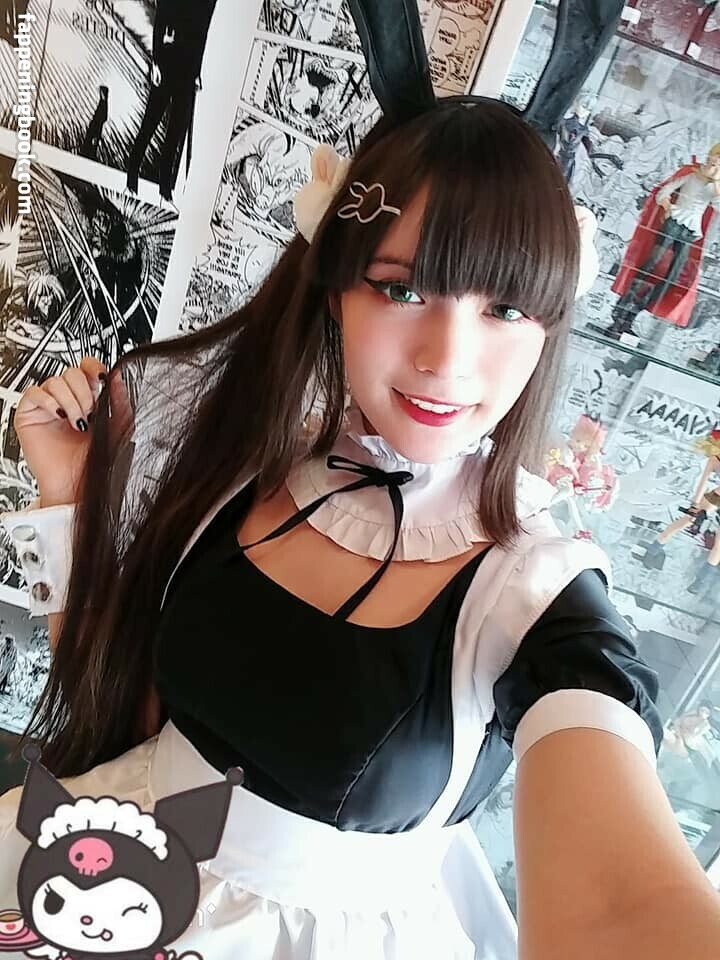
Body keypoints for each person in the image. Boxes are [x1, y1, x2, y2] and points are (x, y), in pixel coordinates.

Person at [0, 2, 719, 957]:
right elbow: (134, 714)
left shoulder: (539, 599)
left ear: (550, 321)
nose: (447, 358)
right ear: (335, 287)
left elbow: (625, 909)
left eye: (506, 308)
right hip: (103, 871)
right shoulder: (253, 467)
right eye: (401, 288)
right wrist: (68, 498)